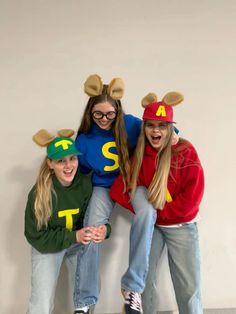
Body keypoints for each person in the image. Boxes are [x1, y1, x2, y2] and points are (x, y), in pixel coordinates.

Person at [110, 91, 205, 314]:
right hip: (153, 228)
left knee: (188, 287)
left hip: (182, 226)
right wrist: (145, 210)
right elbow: (119, 189)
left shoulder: (185, 152)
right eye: (151, 125)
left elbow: (192, 198)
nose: (156, 131)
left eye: (162, 126)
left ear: (171, 128)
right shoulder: (141, 154)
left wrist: (155, 213)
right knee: (147, 282)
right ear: (144, 128)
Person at [73, 74, 142, 313]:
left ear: (118, 111)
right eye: (98, 114)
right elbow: (79, 175)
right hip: (102, 188)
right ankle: (84, 303)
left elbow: (159, 129)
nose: (104, 119)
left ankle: (134, 289)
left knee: (148, 214)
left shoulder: (130, 124)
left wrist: (174, 131)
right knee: (91, 232)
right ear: (90, 112)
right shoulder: (83, 139)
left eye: (110, 114)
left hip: (130, 184)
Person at [25, 128, 102, 314]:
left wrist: (102, 230)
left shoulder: (84, 184)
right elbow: (35, 235)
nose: (69, 166)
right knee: (41, 302)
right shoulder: (39, 193)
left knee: (89, 286)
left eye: (72, 159)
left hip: (75, 242)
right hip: (48, 245)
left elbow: (91, 218)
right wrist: (73, 236)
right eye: (61, 161)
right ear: (50, 164)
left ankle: (84, 309)